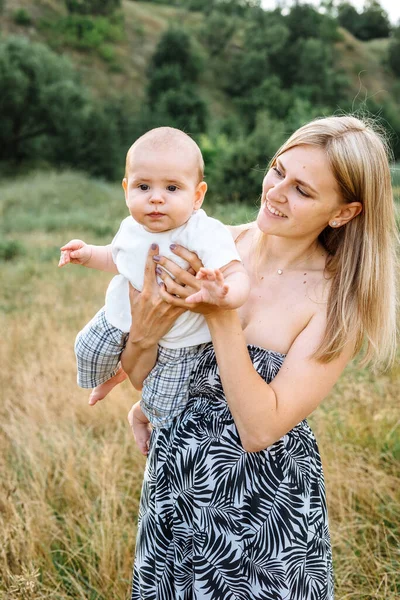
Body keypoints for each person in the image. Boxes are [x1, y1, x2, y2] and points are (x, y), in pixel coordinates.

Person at [120, 116, 398, 599]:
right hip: (174, 482)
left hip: (265, 510)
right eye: (277, 169)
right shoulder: (207, 244)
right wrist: (143, 348)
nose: (276, 191)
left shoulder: (335, 303)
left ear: (344, 213)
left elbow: (259, 429)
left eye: (303, 191)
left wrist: (219, 315)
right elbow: (143, 372)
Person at [59, 127, 250, 453]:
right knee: (87, 348)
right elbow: (116, 258)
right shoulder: (131, 228)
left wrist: (225, 293)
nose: (156, 197)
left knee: (164, 401)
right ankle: (104, 379)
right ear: (126, 189)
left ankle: (148, 417)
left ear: (197, 195)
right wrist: (87, 254)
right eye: (143, 186)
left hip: (180, 342)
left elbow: (236, 273)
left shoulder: (203, 232)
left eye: (172, 187)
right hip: (122, 315)